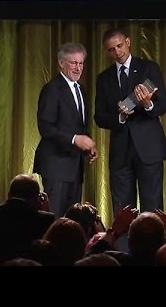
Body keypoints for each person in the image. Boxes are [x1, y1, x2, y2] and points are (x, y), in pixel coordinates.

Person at [94, 27, 166, 215]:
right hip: (121, 153)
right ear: (107, 51)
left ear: (128, 42)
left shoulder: (149, 68)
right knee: (122, 211)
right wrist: (120, 116)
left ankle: (151, 245)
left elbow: (163, 106)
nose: (117, 52)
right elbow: (99, 117)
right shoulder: (104, 78)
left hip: (149, 150)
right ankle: (120, 245)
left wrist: (147, 104)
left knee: (152, 208)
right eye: (112, 49)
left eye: (119, 46)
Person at [33, 42, 98, 217]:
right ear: (61, 63)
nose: (78, 68)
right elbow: (45, 127)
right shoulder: (52, 89)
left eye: (81, 63)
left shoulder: (80, 89)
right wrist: (75, 139)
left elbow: (77, 125)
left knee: (72, 221)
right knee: (55, 219)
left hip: (74, 167)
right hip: (56, 166)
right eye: (73, 63)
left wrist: (88, 146)